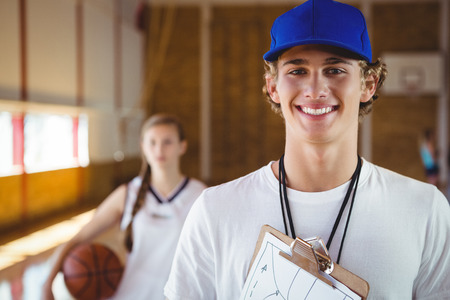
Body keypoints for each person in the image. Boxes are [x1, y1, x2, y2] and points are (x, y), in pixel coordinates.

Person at [164, 0, 450, 299]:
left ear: (369, 84)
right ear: (273, 86)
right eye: (298, 70)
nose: (315, 89)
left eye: (335, 69)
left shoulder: (424, 210)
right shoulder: (214, 212)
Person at [41, 113, 207, 300]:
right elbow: (77, 239)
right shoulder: (127, 193)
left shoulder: (201, 195)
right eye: (152, 142)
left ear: (182, 146)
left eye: (167, 142)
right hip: (129, 294)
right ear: (143, 146)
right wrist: (47, 284)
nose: (159, 149)